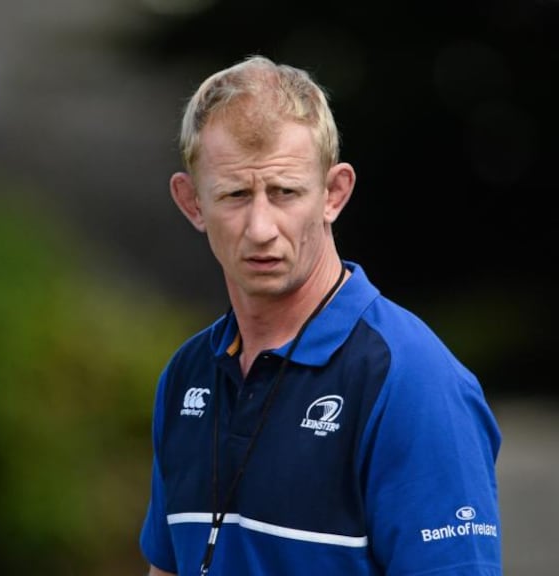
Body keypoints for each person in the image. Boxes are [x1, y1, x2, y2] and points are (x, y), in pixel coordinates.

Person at [139, 54, 503, 576]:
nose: (261, 227)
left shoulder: (412, 380)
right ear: (192, 203)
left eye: (285, 192)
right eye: (236, 195)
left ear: (333, 194)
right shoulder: (186, 376)